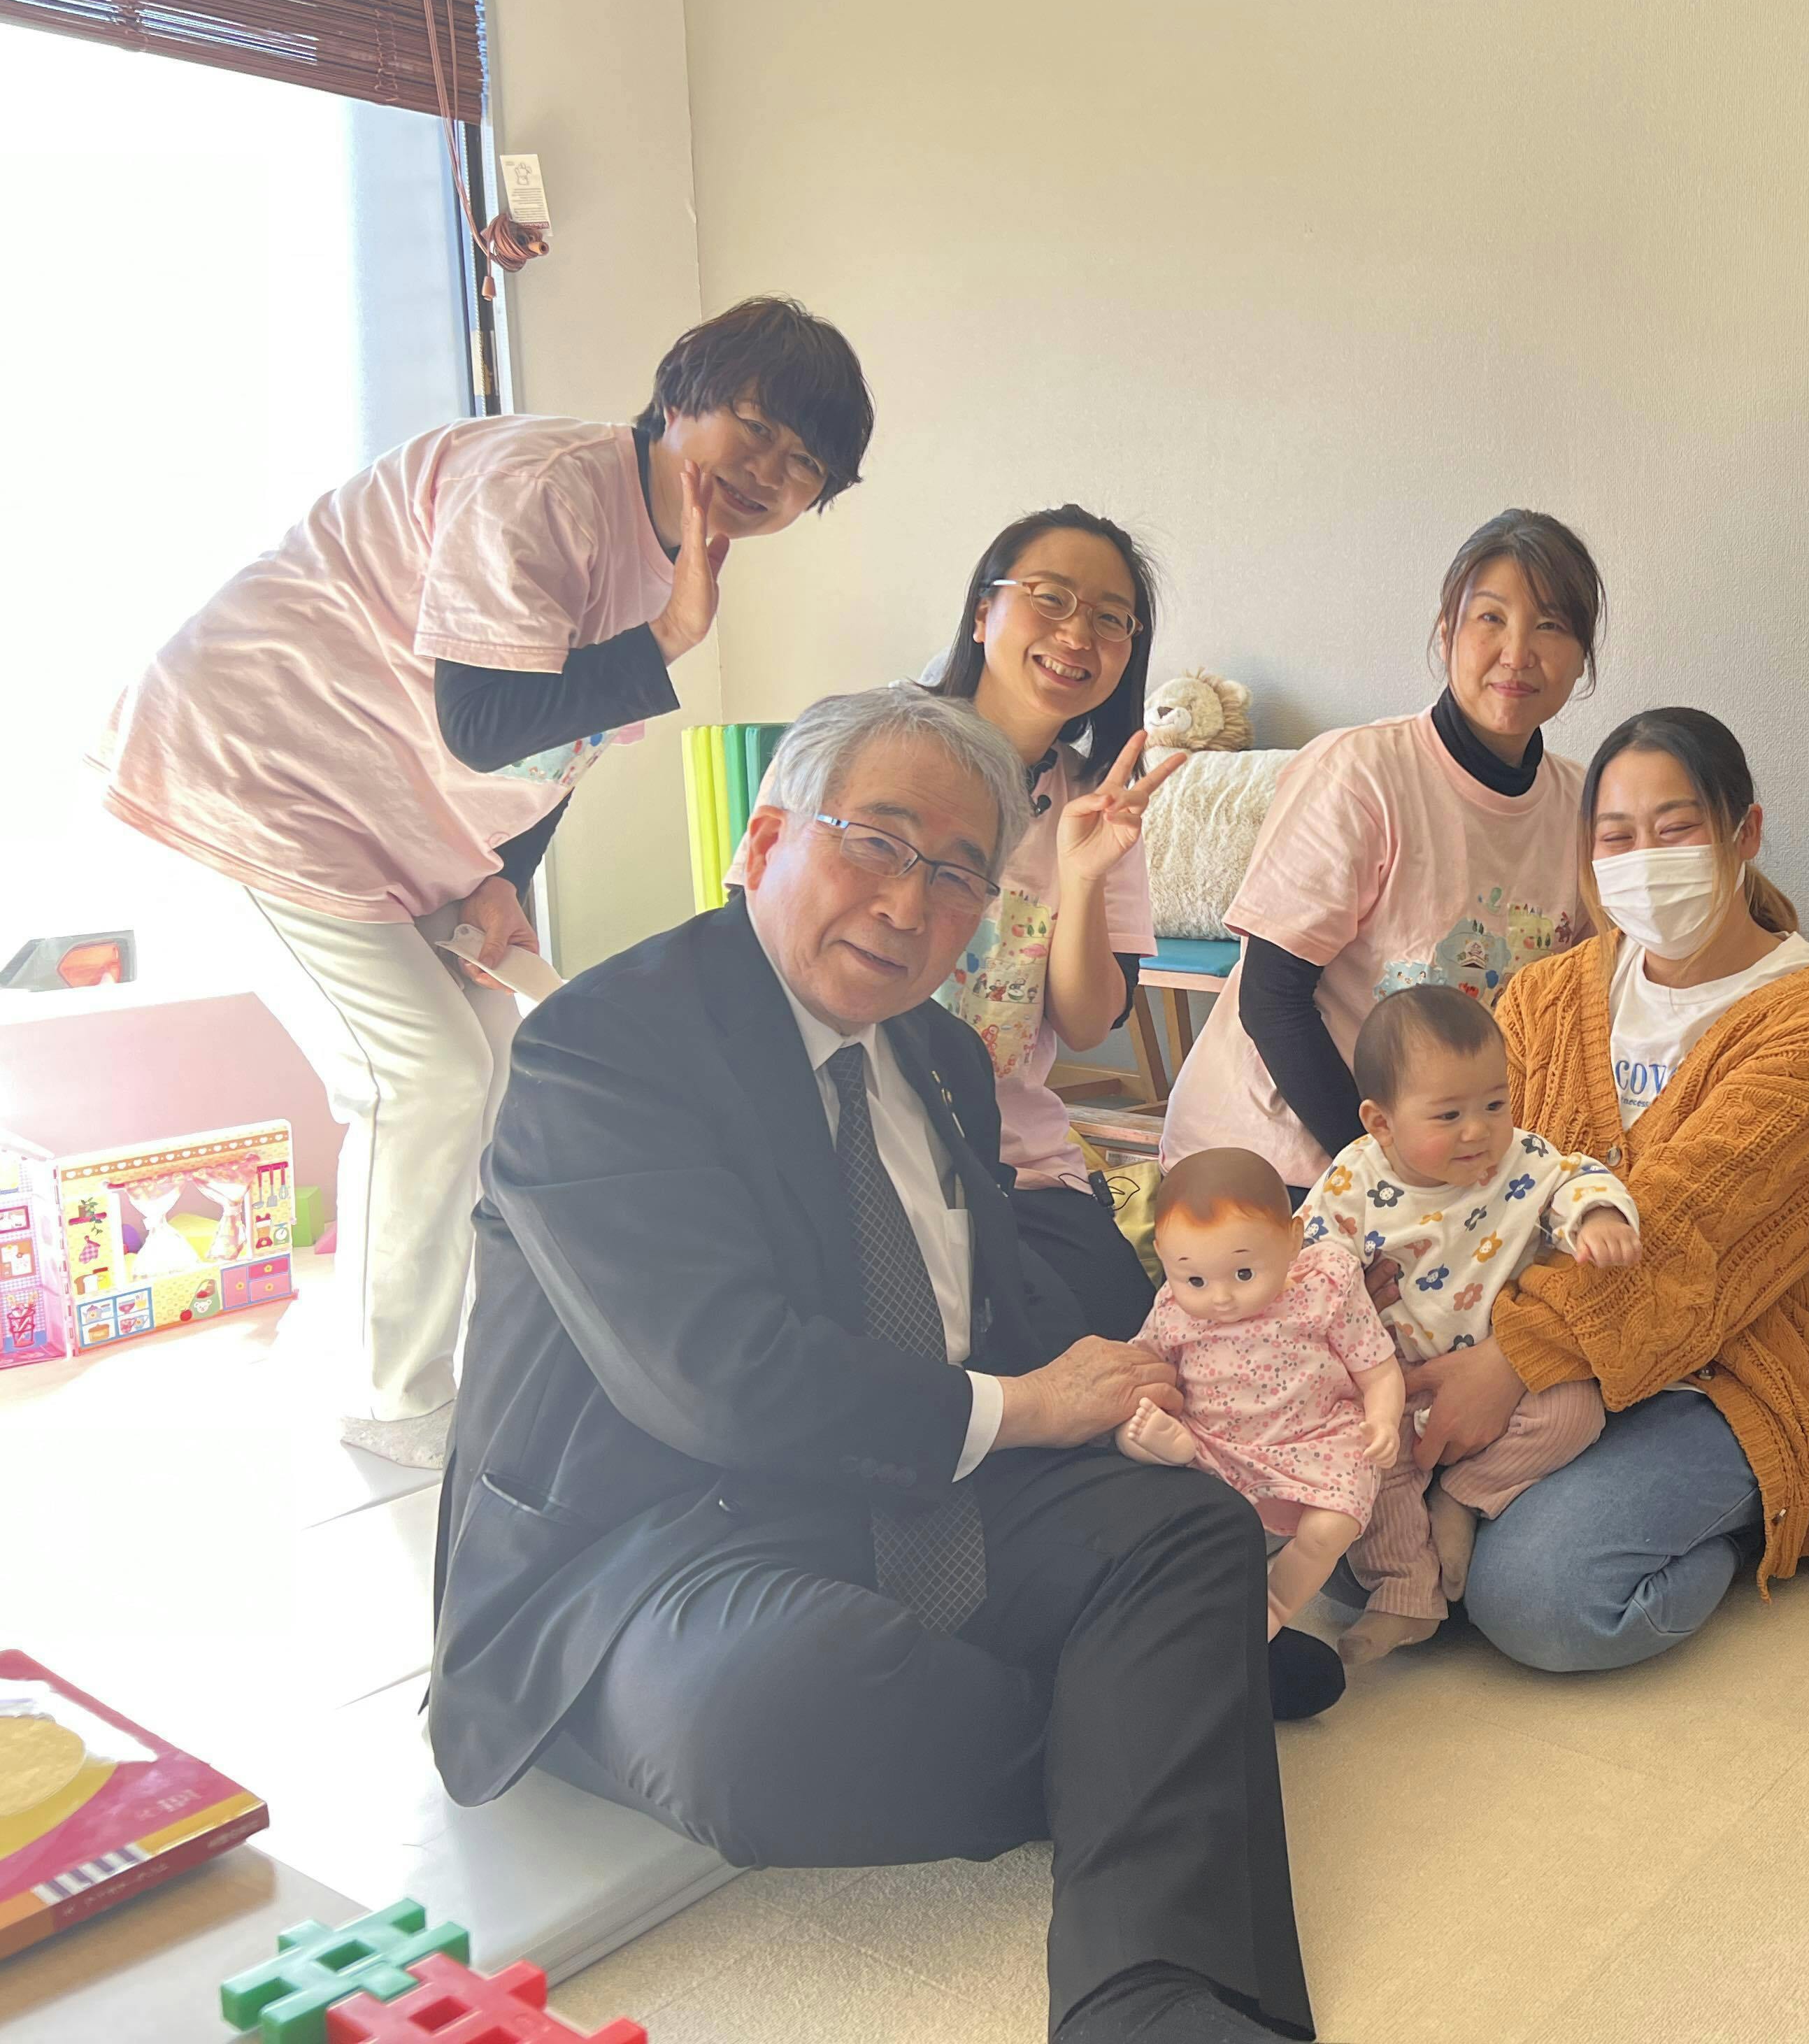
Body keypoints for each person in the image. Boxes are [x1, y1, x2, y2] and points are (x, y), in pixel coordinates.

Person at [429, 687, 1328, 2044]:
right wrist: (1030, 1406)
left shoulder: (941, 1055)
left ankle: (1151, 1993)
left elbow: (973, 1298)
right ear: (763, 840)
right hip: (654, 1531)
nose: (911, 904)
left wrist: (1139, 1376)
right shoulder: (602, 1047)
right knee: (771, 1715)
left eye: (959, 874)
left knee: (1187, 1527)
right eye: (877, 842)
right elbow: (715, 1378)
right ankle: (1158, 1709)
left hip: (901, 1481)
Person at [96, 298, 874, 1466]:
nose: (770, 472)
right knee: (424, 1073)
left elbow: (555, 754)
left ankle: (444, 1350)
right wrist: (668, 641)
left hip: (377, 818)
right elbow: (486, 720)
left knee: (501, 1060)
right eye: (757, 427)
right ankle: (390, 1395)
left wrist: (501, 877)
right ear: (680, 397)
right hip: (256, 769)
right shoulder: (546, 485)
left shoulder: (667, 551)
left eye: (805, 463)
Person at [1401, 706, 1809, 1673]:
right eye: (1617, 837)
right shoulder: (1546, 996)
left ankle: (1787, 1481)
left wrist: (1511, 1363)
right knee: (1357, 1548)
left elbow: (1680, 1228)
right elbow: (1466, 1179)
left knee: (1540, 1600)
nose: (1645, 860)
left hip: (1727, 1364)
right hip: (1529, 1341)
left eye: (1675, 829)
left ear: (1745, 833)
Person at [1159, 509, 1603, 1194]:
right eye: (1491, 618)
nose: (1517, 653)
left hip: (1447, 1161)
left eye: (1550, 625)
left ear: (1581, 656)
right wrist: (1388, 1178)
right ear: (1447, 634)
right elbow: (1272, 1000)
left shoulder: (1583, 806)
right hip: (1278, 1157)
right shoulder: (1359, 774)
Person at [1298, 984, 1638, 1665]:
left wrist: (1598, 1215)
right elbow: (1307, 1270)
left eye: (1494, 1104)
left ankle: (1461, 1498)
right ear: (1381, 1122)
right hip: (1394, 1382)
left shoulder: (1522, 1161)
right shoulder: (1353, 1184)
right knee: (1363, 1457)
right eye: (1449, 1115)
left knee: (1575, 1412)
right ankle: (1405, 1593)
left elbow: (1577, 1177)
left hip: (1505, 1381)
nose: (1479, 1130)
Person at [920, 505, 1175, 1340]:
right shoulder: (876, 745)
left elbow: (1088, 1021)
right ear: (982, 611)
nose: (1077, 634)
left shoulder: (1096, 800)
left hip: (1019, 1167)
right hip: (871, 1151)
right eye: (1051, 598)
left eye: (1110, 618)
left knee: (1129, 1351)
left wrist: (1084, 875)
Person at [1117, 1148, 1405, 1636]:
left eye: (1244, 1273)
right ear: (1164, 1256)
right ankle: (1167, 1449)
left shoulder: (1323, 1288)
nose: (1221, 1297)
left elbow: (1377, 1370)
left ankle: (1275, 1602)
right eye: (1194, 1279)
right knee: (1130, 1432)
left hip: (1316, 1441)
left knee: (1332, 1526)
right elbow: (1142, 1371)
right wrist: (1137, 1419)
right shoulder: (1172, 1310)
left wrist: (1383, 1420)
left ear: (1293, 1240)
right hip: (1210, 1444)